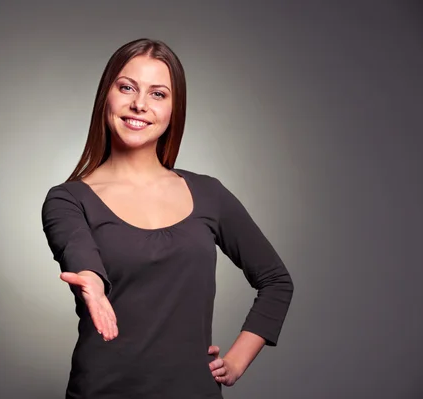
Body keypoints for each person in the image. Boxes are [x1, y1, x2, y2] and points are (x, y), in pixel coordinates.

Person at [41, 38, 294, 398]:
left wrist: (237, 360)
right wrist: (91, 283)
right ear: (106, 97)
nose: (139, 104)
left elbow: (276, 281)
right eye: (127, 87)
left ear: (175, 108)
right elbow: (80, 253)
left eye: (158, 94)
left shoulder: (209, 194)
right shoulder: (67, 199)